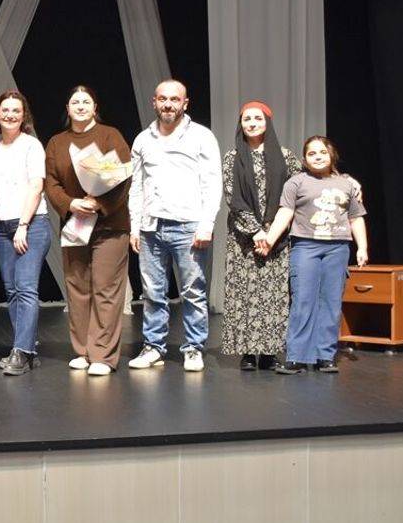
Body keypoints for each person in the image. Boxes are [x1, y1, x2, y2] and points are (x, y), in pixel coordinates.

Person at [127, 79, 222, 372]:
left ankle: (193, 348)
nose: (168, 104)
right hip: (150, 227)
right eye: (163, 99)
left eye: (174, 99)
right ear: (154, 102)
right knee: (152, 291)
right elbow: (137, 186)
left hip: (188, 226)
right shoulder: (143, 139)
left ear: (185, 103)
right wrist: (134, 225)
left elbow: (212, 182)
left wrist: (206, 224)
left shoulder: (202, 136)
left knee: (193, 291)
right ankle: (153, 346)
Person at [44, 86, 132, 376]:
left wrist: (98, 203)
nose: (80, 106)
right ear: (67, 108)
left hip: (109, 225)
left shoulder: (110, 135)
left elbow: (123, 177)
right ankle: (82, 350)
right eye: (75, 102)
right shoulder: (56, 142)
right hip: (75, 223)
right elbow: (51, 183)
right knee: (78, 288)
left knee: (106, 289)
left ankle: (102, 355)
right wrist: (71, 203)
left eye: (86, 101)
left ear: (95, 107)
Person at [262, 136, 368, 374]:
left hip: (337, 248)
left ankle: (325, 355)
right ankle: (297, 356)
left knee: (331, 302)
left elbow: (355, 218)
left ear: (332, 156)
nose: (318, 157)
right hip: (305, 247)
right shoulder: (296, 182)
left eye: (322, 152)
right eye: (312, 153)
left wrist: (362, 247)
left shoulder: (346, 184)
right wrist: (269, 240)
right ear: (304, 159)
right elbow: (285, 213)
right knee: (303, 300)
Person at [220, 101, 302, 371]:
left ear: (268, 122)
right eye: (247, 119)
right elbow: (233, 197)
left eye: (257, 118)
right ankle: (246, 353)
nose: (252, 123)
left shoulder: (286, 157)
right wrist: (255, 230)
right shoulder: (232, 157)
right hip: (244, 238)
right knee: (244, 293)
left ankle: (268, 352)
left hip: (276, 236)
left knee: (273, 295)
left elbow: (300, 190)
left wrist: (271, 234)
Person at [0, 90, 51, 376]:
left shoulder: (32, 145)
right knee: (11, 290)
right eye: (6, 110)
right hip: (0, 226)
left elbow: (36, 186)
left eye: (16, 110)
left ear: (24, 116)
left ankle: (21, 351)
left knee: (25, 288)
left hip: (31, 224)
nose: (10, 115)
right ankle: (25, 348)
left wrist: (23, 225)